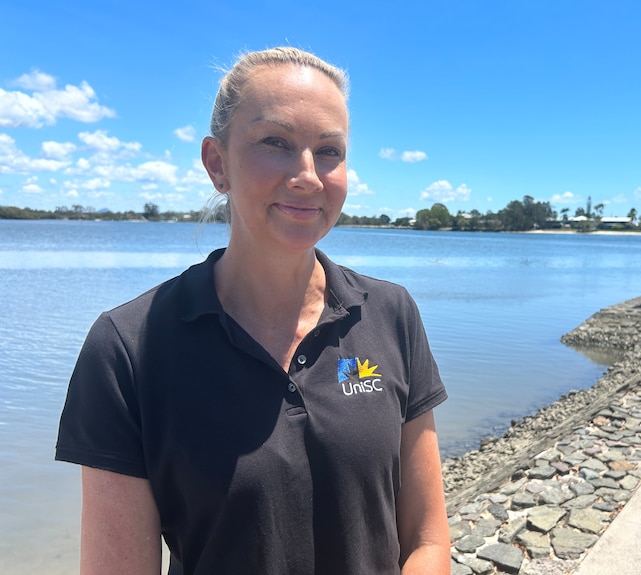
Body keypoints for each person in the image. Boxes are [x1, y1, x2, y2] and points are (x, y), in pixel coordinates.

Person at [55, 47, 450, 574]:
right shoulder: (127, 347)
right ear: (217, 164)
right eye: (276, 143)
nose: (309, 175)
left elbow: (427, 539)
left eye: (329, 150)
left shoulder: (391, 315)